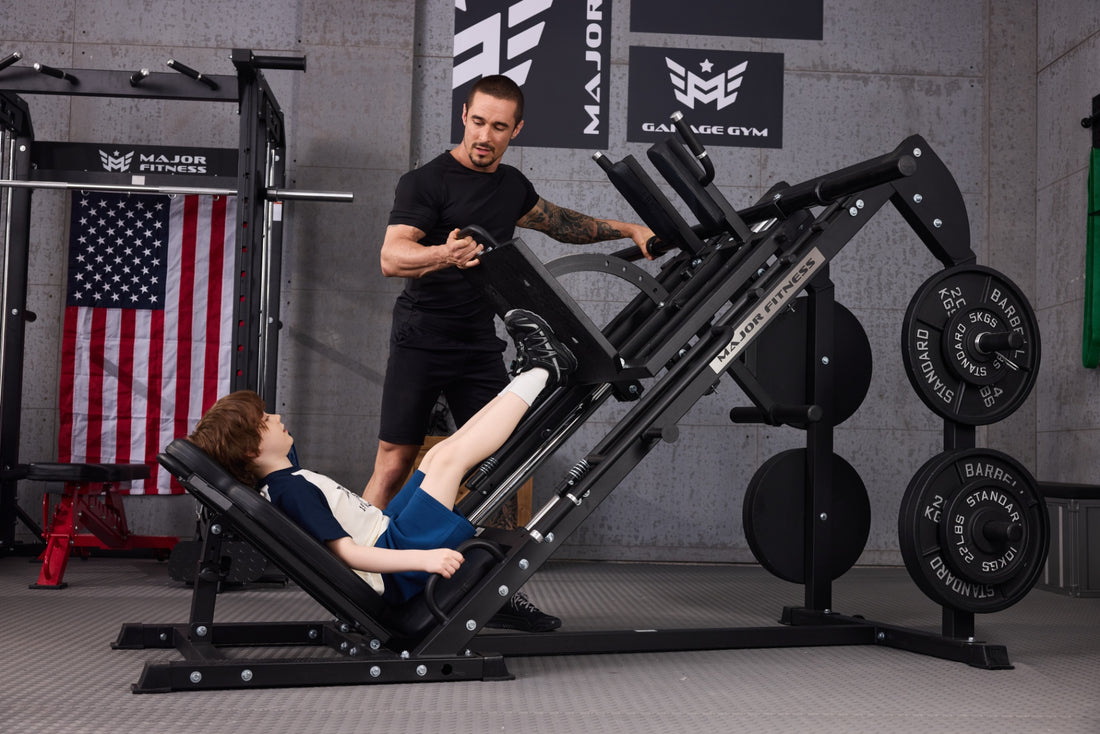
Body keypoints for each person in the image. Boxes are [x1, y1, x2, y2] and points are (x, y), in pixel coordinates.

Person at [364, 74, 655, 629]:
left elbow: (563, 224)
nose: (485, 137)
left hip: (478, 342)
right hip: (422, 337)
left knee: (504, 466)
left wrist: (631, 228)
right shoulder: (425, 182)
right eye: (478, 122)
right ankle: (360, 577)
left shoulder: (510, 187)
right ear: (464, 117)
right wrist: (442, 256)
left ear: (515, 130)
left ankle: (495, 590)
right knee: (395, 461)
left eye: (499, 128)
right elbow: (391, 257)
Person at [188, 309, 575, 621]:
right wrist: (426, 558)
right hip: (396, 559)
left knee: (441, 456)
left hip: (389, 530)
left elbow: (239, 456)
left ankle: (532, 374)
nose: (274, 416)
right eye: (264, 421)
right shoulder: (290, 490)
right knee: (451, 460)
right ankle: (542, 371)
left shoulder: (283, 476)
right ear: (253, 452)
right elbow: (349, 555)